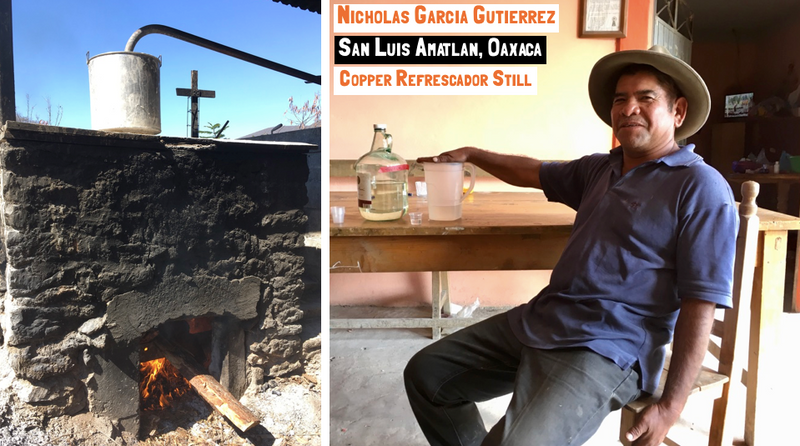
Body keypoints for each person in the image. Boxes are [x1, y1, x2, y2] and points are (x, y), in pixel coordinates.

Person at [404, 46, 738, 446]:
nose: (629, 108)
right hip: (546, 318)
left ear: (678, 112)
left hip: (608, 344)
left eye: (645, 98)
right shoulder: (601, 168)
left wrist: (671, 406)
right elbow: (532, 171)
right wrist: (473, 154)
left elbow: (700, 302)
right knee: (427, 376)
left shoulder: (700, 187)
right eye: (620, 99)